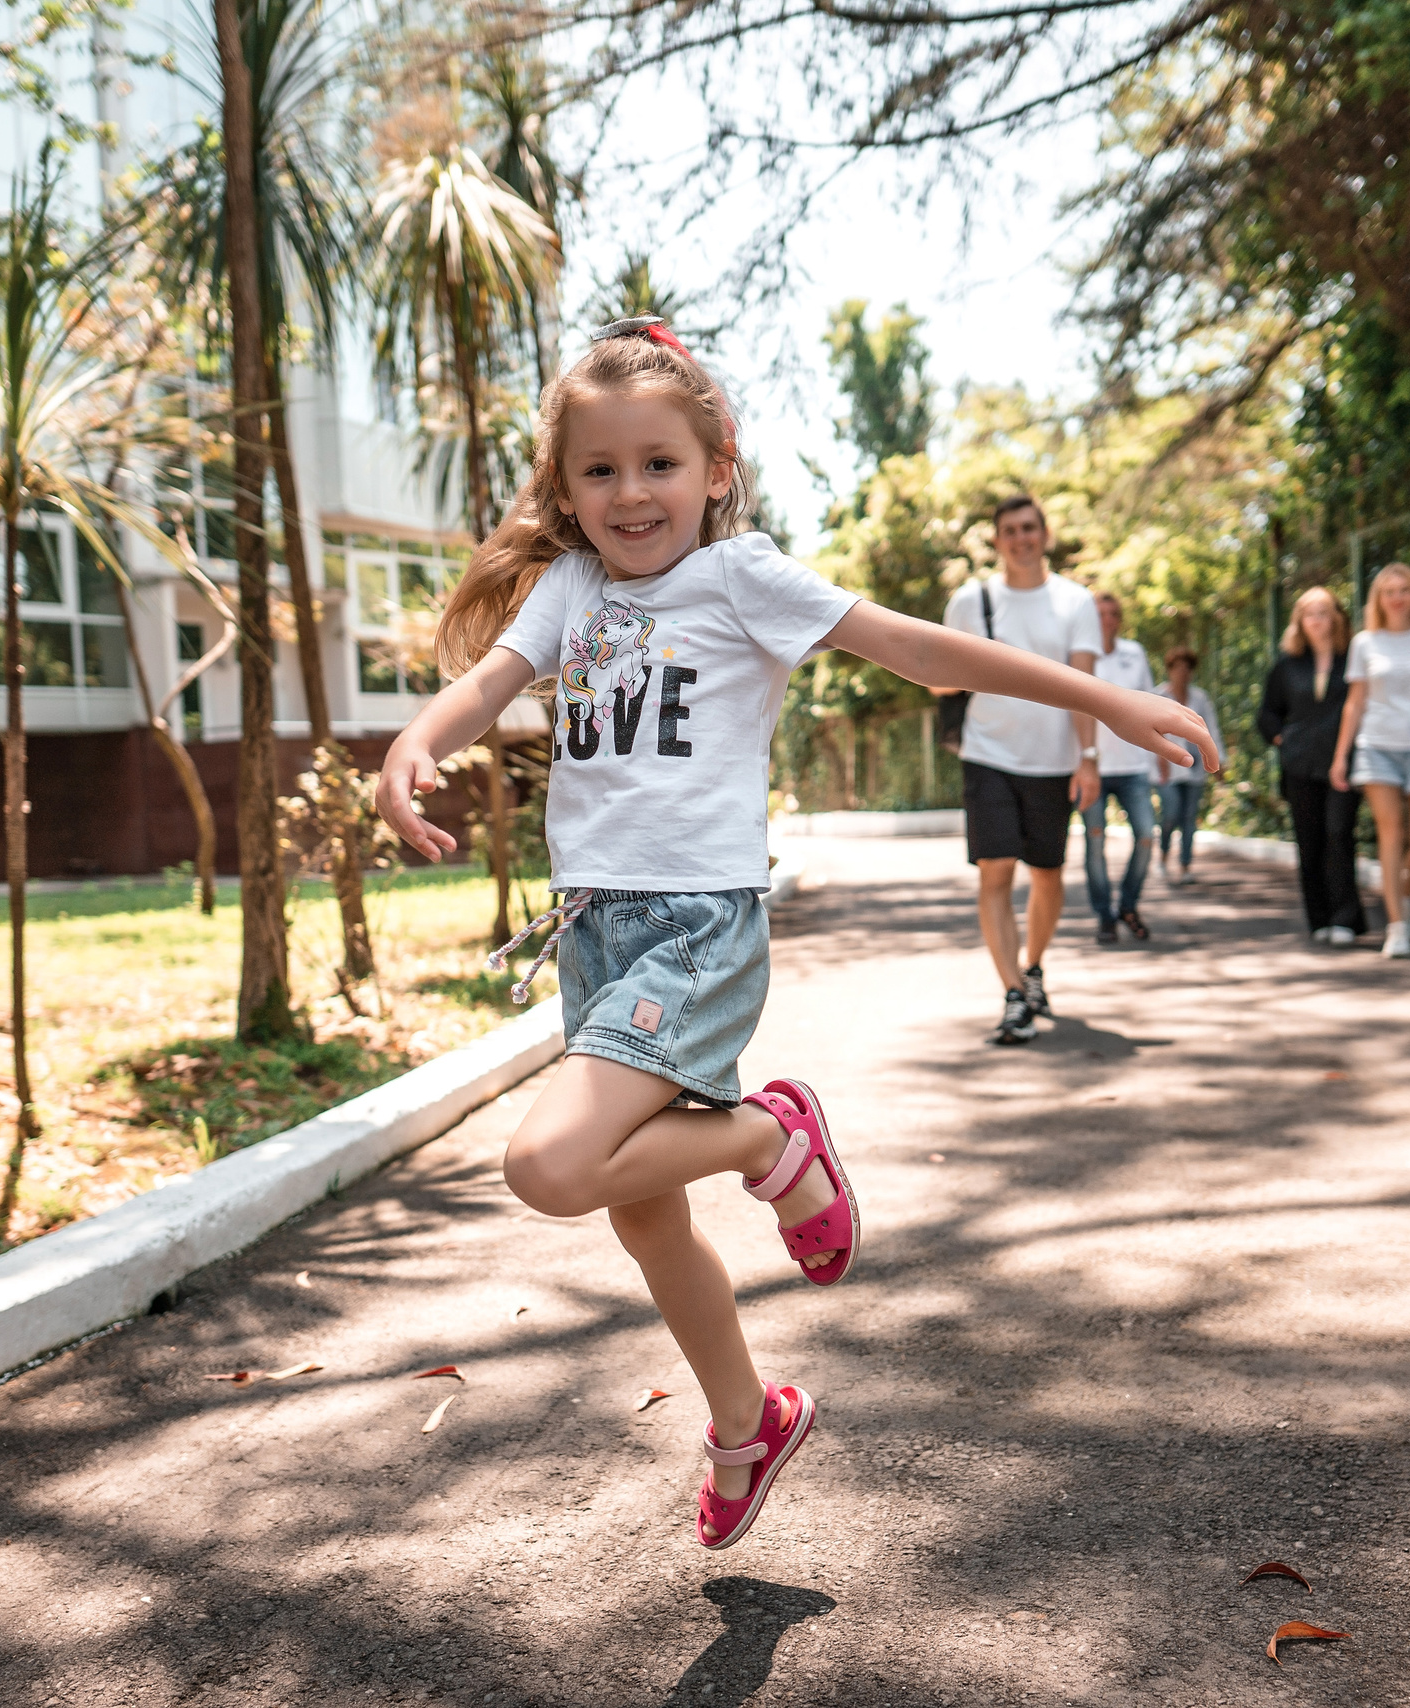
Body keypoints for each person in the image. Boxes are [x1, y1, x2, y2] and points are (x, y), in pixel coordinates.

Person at [374, 319, 1216, 1554]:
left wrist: (1108, 699)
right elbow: (488, 685)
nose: (629, 492)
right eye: (598, 470)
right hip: (599, 935)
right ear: (563, 487)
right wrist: (416, 742)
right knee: (642, 1214)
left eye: (658, 462)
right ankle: (743, 1419)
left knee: (549, 1166)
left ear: (715, 469)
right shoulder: (568, 590)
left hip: (694, 934)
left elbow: (922, 653)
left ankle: (769, 1133)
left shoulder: (740, 578)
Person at [936, 495, 1106, 1043]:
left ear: (1045, 534)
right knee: (996, 870)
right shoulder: (972, 600)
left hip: (1054, 762)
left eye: (1029, 527)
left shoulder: (1075, 602)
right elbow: (941, 676)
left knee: (1049, 875)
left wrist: (1088, 758)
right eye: (1009, 529)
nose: (1021, 537)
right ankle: (1013, 994)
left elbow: (1087, 689)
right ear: (997, 539)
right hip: (988, 755)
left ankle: (1033, 967)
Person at [1331, 562, 1410, 959]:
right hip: (1378, 746)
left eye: (1404, 589)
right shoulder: (1366, 642)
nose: (1398, 597)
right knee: (1392, 834)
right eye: (1389, 591)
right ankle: (1397, 926)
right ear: (1379, 599)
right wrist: (1341, 756)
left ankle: (1402, 896)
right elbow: (1355, 703)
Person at [1257, 587, 1368, 945]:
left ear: (1336, 618)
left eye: (1324, 613)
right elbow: (1267, 714)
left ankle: (1346, 919)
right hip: (1300, 765)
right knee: (1309, 841)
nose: (1317, 620)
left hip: (1342, 762)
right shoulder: (1287, 665)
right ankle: (1318, 919)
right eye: (1310, 614)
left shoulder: (1353, 658)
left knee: (1339, 834)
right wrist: (1283, 740)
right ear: (1300, 622)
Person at [1081, 591, 1159, 944]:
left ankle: (1128, 905)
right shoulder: (1079, 655)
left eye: (1113, 613)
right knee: (1095, 841)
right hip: (1093, 766)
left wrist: (1160, 758)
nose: (1106, 620)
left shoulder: (1134, 654)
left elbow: (1150, 705)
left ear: (1120, 618)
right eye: (1099, 614)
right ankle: (1104, 916)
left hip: (1132, 766)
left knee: (1146, 835)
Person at [1152, 645, 1224, 884]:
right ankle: (1162, 857)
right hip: (1167, 770)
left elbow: (1210, 729)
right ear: (1170, 670)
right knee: (1170, 813)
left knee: (1189, 818)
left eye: (1187, 668)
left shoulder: (1200, 698)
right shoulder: (1159, 696)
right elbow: (1153, 732)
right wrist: (1159, 760)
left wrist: (1218, 761)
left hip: (1194, 768)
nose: (1182, 672)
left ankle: (1185, 866)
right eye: (1177, 667)